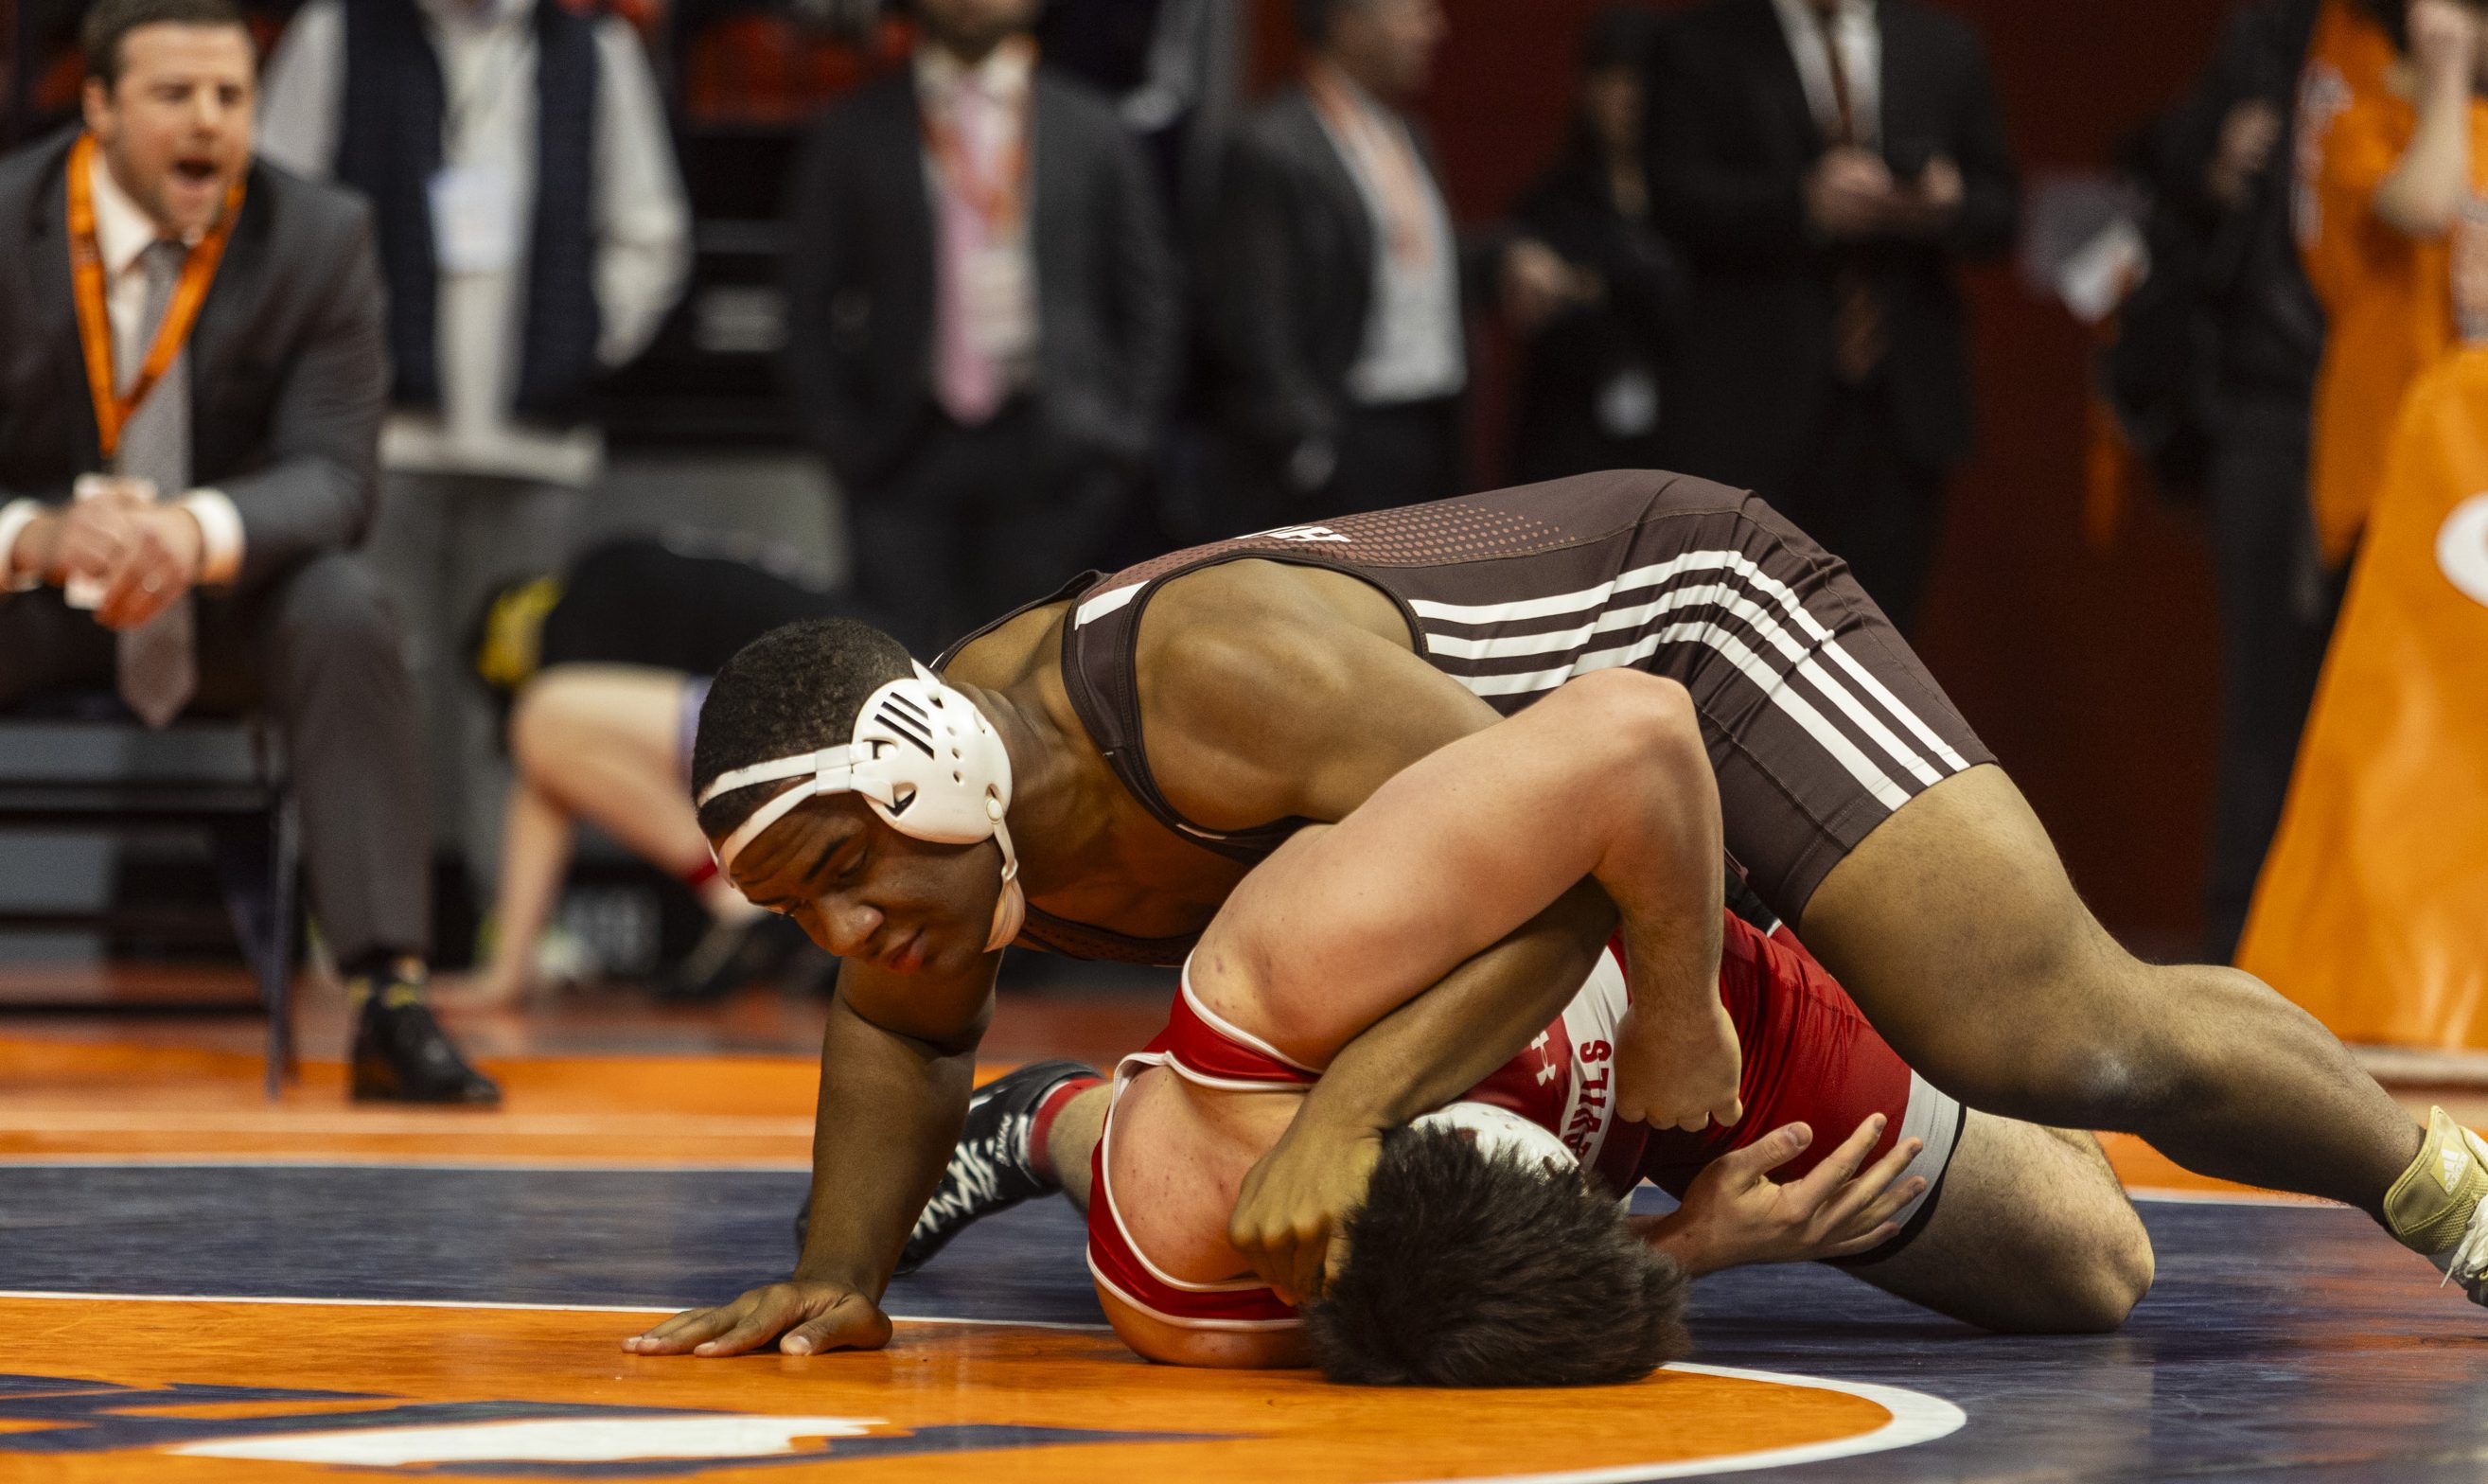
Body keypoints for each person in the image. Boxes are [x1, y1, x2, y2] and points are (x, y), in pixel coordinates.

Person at [624, 470, 2483, 1359]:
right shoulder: (960, 868)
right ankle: (1083, 1125)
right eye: (804, 912)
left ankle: (2449, 1190)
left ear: (928, 777)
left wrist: (1372, 1102)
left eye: (849, 877)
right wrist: (841, 1273)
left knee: (2054, 1032)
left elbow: (1585, 842)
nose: (849, 937)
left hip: (1685, 653)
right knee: (1302, 1259)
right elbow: (889, 1033)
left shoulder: (1205, 684)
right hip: (1555, 870)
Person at [0, 0, 497, 1103]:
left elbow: (338, 476)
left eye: (231, 96)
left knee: (347, 602)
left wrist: (193, 529)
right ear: (96, 106)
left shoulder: (320, 235)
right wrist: (32, 532)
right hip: (33, 601)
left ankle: (388, 996)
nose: (210, 123)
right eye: (175, 96)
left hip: (224, 606)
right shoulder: (4, 223)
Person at [254, 0, 692, 910]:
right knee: (375, 688)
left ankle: (513, 927)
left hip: (538, 442)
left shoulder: (594, 51)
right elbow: (274, 209)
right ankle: (363, 924)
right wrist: (335, 361)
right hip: (377, 440)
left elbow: (649, 230)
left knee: (522, 699)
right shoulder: (339, 33)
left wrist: (583, 342)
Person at [780, 0, 1181, 658]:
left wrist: (1122, 439)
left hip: (1055, 448)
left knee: (1035, 679)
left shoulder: (1091, 126)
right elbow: (806, 304)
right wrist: (841, 439)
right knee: (886, 671)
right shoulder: (856, 126)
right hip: (901, 450)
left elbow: (1149, 297)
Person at [1644, 0, 2018, 633]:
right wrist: (1804, 205)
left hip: (1902, 411)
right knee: (1743, 641)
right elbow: (1671, 199)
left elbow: (2000, 212)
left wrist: (1944, 201)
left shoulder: (1944, 47)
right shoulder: (1700, 45)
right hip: (1752, 404)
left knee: (1883, 641)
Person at [1200, 0, 1580, 533]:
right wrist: (1311, 449)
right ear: (1350, 19)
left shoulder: (1405, 132)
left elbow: (1404, 268)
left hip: (1435, 431)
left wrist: (1500, 261)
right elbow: (1251, 320)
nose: (1435, 28)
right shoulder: (1271, 145)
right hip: (1346, 442)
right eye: (1414, 10)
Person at [455, 533, 873, 1007]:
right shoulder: (626, 582)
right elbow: (545, 773)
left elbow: (540, 730)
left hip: (851, 711)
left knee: (540, 721)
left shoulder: (574, 622)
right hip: (873, 709)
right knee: (544, 745)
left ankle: (743, 897)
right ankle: (508, 970)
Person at [2137, 0, 2335, 963]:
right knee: (2267, 704)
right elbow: (2165, 157)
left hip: (2417, 419)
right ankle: (2244, 954)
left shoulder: (2433, 41)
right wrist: (2216, 158)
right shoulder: (2277, 30)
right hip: (2277, 406)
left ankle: (2355, 948)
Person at [1508, 8, 1688, 485]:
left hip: (1680, 434)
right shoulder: (1551, 200)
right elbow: (1550, 322)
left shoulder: (1694, 197)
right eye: (1614, 81)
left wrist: (1599, 283)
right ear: (1587, 89)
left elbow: (1695, 304)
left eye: (1642, 82)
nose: (1629, 98)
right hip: (1573, 440)